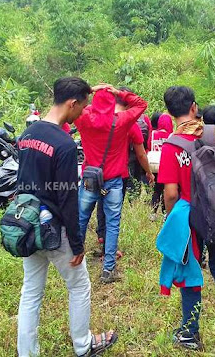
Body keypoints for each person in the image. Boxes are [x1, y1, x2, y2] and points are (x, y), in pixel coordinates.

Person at [16, 77, 117, 357]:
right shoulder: (64, 144)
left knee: (31, 292)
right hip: (54, 229)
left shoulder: (28, 134)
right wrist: (77, 243)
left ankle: (27, 353)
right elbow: (67, 198)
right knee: (79, 285)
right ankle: (83, 345)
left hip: (28, 224)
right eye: (82, 107)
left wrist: (90, 90)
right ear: (72, 103)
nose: (83, 112)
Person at [158, 86, 215, 352]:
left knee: (190, 275)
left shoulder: (171, 146)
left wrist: (173, 219)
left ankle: (190, 333)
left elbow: (171, 193)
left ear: (171, 113)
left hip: (190, 217)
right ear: (194, 107)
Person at [75, 85, 148, 284]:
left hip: (90, 178)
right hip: (114, 181)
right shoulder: (122, 121)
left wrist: (90, 90)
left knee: (81, 219)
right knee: (113, 223)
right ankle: (108, 270)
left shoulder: (84, 119)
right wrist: (118, 92)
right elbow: (141, 104)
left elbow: (77, 106)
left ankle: (74, 259)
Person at [93, 91, 155, 258]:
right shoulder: (128, 123)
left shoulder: (96, 117)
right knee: (113, 213)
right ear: (128, 104)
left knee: (99, 205)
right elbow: (141, 154)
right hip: (117, 174)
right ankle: (109, 252)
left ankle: (99, 237)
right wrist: (148, 172)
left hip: (93, 173)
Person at [149, 113, 173, 218]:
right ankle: (164, 213)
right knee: (165, 190)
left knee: (156, 189)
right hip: (167, 166)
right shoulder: (171, 136)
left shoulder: (153, 133)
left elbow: (149, 147)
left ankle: (153, 213)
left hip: (155, 165)